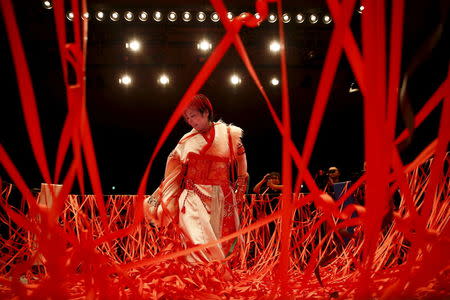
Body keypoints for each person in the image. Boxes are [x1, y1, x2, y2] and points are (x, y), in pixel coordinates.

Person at [144, 94, 248, 263]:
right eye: (187, 118)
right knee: (196, 239)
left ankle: (215, 277)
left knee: (220, 239)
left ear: (206, 112)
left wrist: (241, 183)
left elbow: (241, 156)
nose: (191, 121)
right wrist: (166, 193)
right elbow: (173, 165)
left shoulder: (228, 133)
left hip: (222, 195)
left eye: (193, 116)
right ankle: (198, 277)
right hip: (193, 196)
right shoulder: (186, 140)